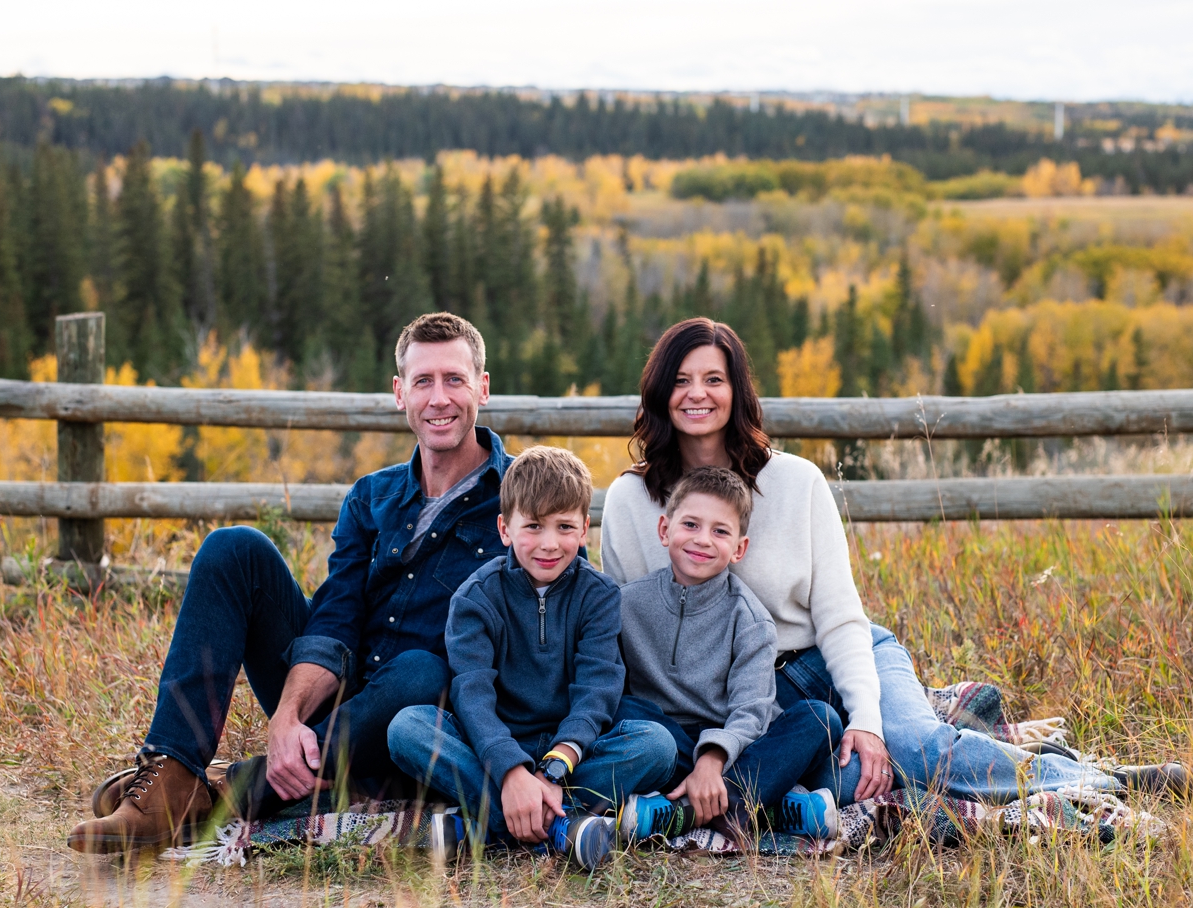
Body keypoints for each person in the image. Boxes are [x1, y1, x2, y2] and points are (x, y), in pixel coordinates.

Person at [601, 318, 1177, 807]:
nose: (696, 394)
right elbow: (631, 635)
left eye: (713, 379)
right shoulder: (631, 501)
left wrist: (867, 721)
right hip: (751, 699)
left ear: (737, 390)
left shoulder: (796, 482)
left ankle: (1097, 781)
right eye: (680, 380)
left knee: (915, 751)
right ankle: (1015, 761)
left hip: (828, 657)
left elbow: (840, 617)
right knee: (858, 783)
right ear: (659, 391)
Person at [70, 312, 513, 853]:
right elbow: (336, 618)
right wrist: (286, 716)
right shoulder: (372, 496)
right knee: (235, 549)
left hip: (417, 724)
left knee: (423, 670)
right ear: (400, 393)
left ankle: (229, 789)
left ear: (482, 388)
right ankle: (172, 774)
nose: (439, 398)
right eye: (423, 381)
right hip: (342, 699)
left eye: (455, 380)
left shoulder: (518, 500)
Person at [387, 446, 676, 869]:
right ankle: (561, 827)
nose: (549, 543)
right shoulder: (476, 598)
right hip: (494, 744)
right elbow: (472, 692)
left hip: (571, 753)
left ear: (584, 530)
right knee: (407, 728)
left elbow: (598, 687)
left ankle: (482, 829)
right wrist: (512, 772)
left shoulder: (599, 596)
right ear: (505, 528)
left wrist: (557, 765)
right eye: (534, 526)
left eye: (564, 527)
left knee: (657, 745)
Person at [610, 465, 844, 846]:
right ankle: (757, 806)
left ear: (739, 548)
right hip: (667, 744)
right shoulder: (626, 604)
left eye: (720, 531)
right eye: (690, 525)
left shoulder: (750, 620)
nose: (703, 540)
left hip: (735, 749)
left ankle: (689, 811)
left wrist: (714, 758)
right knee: (626, 710)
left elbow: (752, 710)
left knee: (820, 718)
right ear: (664, 530)